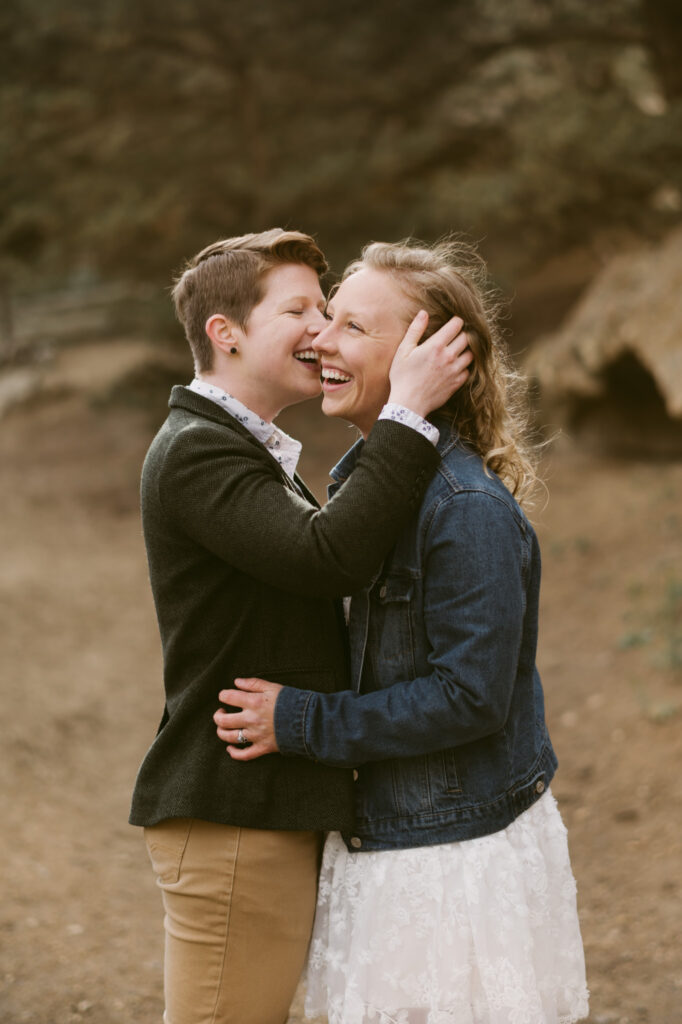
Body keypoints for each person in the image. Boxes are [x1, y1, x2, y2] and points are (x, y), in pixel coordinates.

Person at [214, 238, 590, 1024]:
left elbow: (470, 697)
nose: (321, 340)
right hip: (397, 837)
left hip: (454, 860)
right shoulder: (369, 483)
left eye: (352, 327)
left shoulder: (465, 509)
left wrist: (303, 720)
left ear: (428, 358)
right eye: (325, 321)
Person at [129, 228, 473, 1024]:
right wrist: (408, 413)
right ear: (227, 333)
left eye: (328, 311)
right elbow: (330, 558)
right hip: (234, 817)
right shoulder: (196, 452)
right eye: (299, 310)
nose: (321, 331)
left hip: (260, 811)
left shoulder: (236, 448)